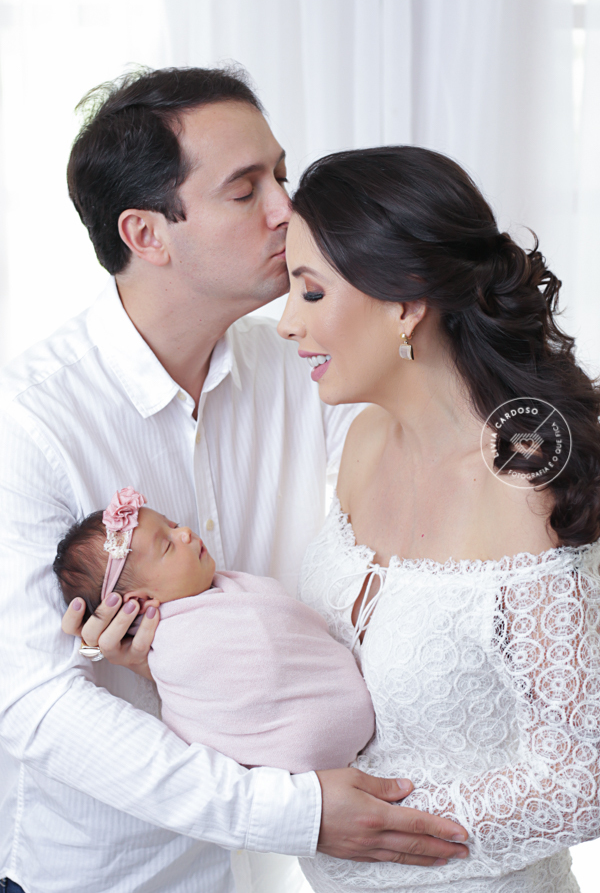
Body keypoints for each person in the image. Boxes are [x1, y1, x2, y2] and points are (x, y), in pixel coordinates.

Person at [0, 69, 468, 893]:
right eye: (247, 190)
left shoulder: (307, 364)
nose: (288, 211)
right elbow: (33, 702)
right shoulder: (29, 422)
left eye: (282, 176)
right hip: (108, 873)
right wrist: (290, 813)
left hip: (272, 874)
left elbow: (435, 479)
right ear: (147, 234)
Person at [278, 145, 600, 893]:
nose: (288, 323)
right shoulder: (363, 444)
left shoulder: (525, 487)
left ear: (404, 303)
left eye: (312, 292)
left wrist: (367, 824)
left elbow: (586, 775)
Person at [54, 486, 375, 772]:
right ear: (140, 601)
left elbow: (290, 633)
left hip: (350, 726)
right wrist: (91, 652)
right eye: (167, 546)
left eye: (173, 525)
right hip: (292, 760)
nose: (185, 534)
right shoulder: (174, 645)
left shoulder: (227, 589)